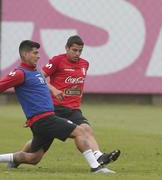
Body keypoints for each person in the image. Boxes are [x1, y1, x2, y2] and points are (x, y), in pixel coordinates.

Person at [0, 40, 114, 174]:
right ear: (25, 54)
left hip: (43, 118)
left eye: (38, 53)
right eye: (35, 53)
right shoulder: (20, 73)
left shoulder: (35, 72)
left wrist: (52, 94)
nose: (38, 56)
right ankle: (96, 167)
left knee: (34, 158)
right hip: (44, 119)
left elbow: (38, 96)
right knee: (80, 131)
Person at [8, 35, 120, 169]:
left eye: (80, 51)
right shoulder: (57, 61)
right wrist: (54, 89)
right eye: (74, 50)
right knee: (37, 146)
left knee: (86, 129)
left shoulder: (85, 64)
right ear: (67, 48)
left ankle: (98, 156)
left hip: (73, 109)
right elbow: (40, 77)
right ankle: (16, 159)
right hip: (55, 108)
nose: (77, 54)